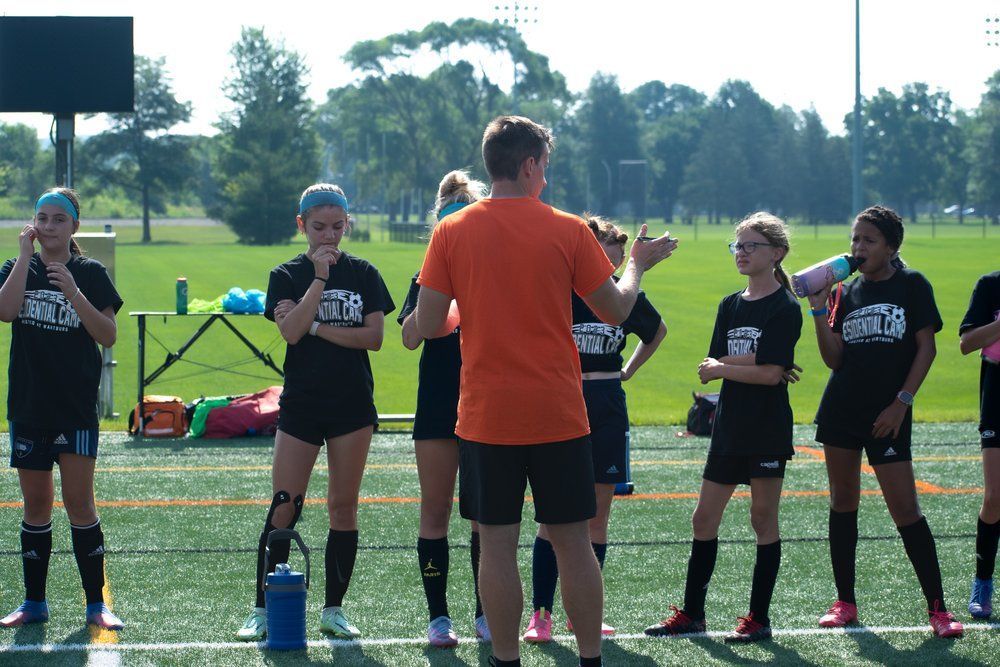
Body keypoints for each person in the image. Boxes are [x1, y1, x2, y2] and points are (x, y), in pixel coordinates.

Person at [415, 115, 678, 667]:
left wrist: (472, 295)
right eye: (546, 166)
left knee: (497, 546)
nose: (547, 176)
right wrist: (636, 265)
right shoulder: (567, 229)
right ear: (530, 165)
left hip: (486, 415)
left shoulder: (451, 231)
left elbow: (432, 323)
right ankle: (590, 659)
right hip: (557, 412)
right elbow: (617, 309)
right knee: (573, 543)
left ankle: (505, 659)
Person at [236, 183, 395, 641]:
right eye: (319, 227)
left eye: (338, 227)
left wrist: (316, 325)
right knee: (285, 503)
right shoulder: (286, 274)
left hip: (352, 405)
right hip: (302, 404)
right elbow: (289, 333)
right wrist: (320, 279)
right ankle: (263, 607)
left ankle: (334, 609)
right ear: (301, 224)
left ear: (348, 224)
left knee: (343, 507)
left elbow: (373, 337)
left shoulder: (364, 273)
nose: (329, 236)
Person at [644, 212, 801, 643]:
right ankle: (693, 614)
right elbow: (715, 362)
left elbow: (767, 375)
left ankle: (758, 619)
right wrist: (763, 360)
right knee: (703, 518)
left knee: (762, 519)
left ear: (777, 253)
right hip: (729, 428)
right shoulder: (729, 305)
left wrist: (748, 366)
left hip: (766, 429)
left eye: (752, 246)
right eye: (738, 245)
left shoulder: (785, 306)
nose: (742, 252)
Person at [806, 205, 962, 638]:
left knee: (906, 509)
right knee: (843, 502)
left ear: (891, 247)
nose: (858, 247)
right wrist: (818, 310)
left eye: (869, 240)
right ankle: (844, 602)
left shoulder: (912, 284)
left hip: (889, 415)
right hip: (841, 411)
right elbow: (834, 359)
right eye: (855, 239)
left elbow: (927, 349)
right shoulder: (843, 291)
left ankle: (938, 609)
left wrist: (901, 403)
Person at [524, 214, 667, 642]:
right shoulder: (559, 290)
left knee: (597, 518)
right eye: (606, 254)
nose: (613, 264)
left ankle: (582, 613)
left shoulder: (624, 294)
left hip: (606, 405)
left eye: (619, 258)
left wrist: (628, 371)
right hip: (562, 404)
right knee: (551, 518)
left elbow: (656, 332)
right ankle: (541, 614)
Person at [0, 188, 124, 630]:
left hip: (75, 409)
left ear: (74, 226)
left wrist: (73, 291)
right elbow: (5, 311)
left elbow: (107, 335)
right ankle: (34, 602)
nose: (48, 226)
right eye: (42, 218)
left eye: (58, 219)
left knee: (79, 504)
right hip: (30, 406)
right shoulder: (18, 267)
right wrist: (23, 256)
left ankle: (96, 604)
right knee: (36, 505)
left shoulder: (90, 273)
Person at [398, 170, 489, 647]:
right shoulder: (425, 276)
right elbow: (409, 338)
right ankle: (438, 618)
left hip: (486, 405)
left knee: (484, 516)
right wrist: (438, 286)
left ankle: (485, 611)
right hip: (437, 406)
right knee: (435, 510)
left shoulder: (493, 274)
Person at [959, 270, 1000, 619]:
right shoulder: (990, 285)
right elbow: (967, 343)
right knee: (994, 497)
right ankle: (983, 582)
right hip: (997, 395)